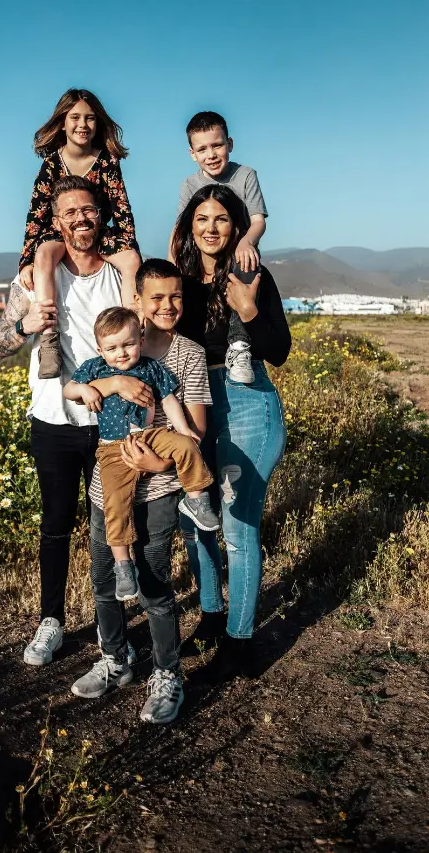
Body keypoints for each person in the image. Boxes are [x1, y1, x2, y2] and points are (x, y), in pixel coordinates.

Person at [70, 259, 213, 724]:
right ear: (137, 302)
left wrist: (157, 463)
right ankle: (115, 659)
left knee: (153, 582)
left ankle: (167, 672)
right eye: (157, 297)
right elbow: (73, 390)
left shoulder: (186, 354)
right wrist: (111, 382)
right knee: (105, 578)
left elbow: (194, 427)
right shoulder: (112, 349)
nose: (168, 305)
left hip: (160, 484)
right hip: (106, 482)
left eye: (176, 297)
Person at [0, 175, 125, 667]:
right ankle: (51, 621)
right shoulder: (32, 278)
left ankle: (110, 623)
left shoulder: (119, 274)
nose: (80, 219)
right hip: (53, 418)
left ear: (102, 215)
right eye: (69, 212)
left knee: (111, 525)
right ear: (55, 221)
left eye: (88, 210)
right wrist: (25, 326)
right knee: (55, 524)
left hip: (111, 420)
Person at [172, 185, 291, 683]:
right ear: (189, 225)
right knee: (195, 518)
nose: (211, 228)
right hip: (194, 403)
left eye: (222, 218)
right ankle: (212, 615)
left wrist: (245, 306)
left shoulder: (253, 276)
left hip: (247, 404)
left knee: (239, 531)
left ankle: (241, 643)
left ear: (237, 226)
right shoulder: (178, 280)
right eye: (202, 218)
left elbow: (278, 349)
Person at [63, 306, 215, 601]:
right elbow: (69, 389)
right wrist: (85, 391)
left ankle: (196, 499)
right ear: (100, 349)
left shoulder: (151, 367)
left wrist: (184, 429)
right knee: (115, 504)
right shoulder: (94, 369)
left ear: (141, 341)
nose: (121, 353)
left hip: (151, 436)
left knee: (187, 446)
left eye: (128, 344)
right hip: (112, 448)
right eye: (112, 347)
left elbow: (169, 400)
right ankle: (123, 563)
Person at [19, 89, 141, 380]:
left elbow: (122, 209)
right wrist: (25, 261)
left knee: (131, 260)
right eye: (75, 117)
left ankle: (135, 328)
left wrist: (129, 248)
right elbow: (35, 215)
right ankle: (49, 340)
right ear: (62, 122)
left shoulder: (108, 162)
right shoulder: (51, 164)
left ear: (98, 123)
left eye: (89, 118)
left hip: (100, 232)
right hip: (59, 232)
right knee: (44, 254)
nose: (82, 124)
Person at [173, 111, 268, 385]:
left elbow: (259, 220)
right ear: (192, 153)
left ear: (230, 144)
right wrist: (171, 262)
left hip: (239, 255)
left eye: (217, 145)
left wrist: (247, 240)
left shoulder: (246, 175)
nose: (211, 154)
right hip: (202, 256)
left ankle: (239, 346)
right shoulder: (190, 184)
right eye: (202, 149)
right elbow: (180, 227)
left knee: (246, 265)